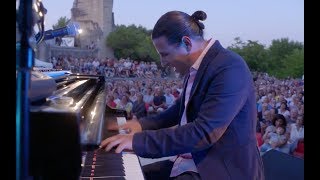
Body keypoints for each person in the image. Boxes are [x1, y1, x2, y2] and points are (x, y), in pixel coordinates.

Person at [100, 10, 264, 180]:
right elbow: (181, 108)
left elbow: (204, 132)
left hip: (221, 169)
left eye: (165, 54)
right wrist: (141, 125)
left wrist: (138, 141)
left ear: (186, 43)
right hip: (194, 159)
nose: (163, 62)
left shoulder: (229, 67)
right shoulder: (199, 66)